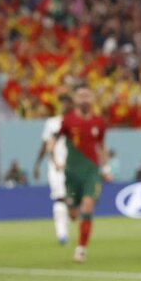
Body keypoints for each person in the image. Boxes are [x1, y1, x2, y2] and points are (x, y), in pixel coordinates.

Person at [50, 87, 111, 263]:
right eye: (81, 96)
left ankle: (81, 249)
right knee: (74, 213)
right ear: (75, 100)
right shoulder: (68, 121)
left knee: (88, 206)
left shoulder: (99, 122)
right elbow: (54, 140)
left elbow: (101, 146)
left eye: (87, 96)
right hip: (72, 173)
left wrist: (105, 169)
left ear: (92, 99)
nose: (84, 99)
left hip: (91, 172)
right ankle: (70, 217)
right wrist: (54, 158)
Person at [33, 97, 70, 245]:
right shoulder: (52, 123)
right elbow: (46, 145)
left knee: (72, 200)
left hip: (72, 167)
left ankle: (66, 228)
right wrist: (37, 164)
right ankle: (61, 233)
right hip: (56, 167)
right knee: (60, 198)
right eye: (62, 103)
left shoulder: (76, 123)